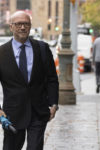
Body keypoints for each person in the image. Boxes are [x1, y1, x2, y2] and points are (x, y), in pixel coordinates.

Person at [0, 11, 59, 150]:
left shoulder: (42, 48)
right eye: (18, 24)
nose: (22, 27)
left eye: (26, 24)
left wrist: (54, 104)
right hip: (12, 114)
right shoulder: (1, 53)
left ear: (30, 26)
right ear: (11, 27)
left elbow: (52, 78)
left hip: (38, 111)